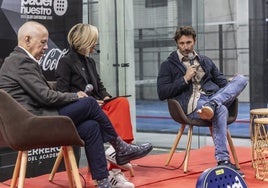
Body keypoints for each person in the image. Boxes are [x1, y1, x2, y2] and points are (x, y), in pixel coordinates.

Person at [0, 21, 153, 188]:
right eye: (43, 42)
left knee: (91, 126)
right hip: (32, 123)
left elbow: (43, 94)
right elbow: (46, 97)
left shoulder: (20, 60)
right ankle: (120, 147)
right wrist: (76, 96)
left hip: (38, 117)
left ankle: (103, 181)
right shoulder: (20, 61)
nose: (46, 47)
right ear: (27, 39)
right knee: (89, 103)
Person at [157, 26, 247, 177]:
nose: (185, 47)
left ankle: (213, 104)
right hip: (191, 104)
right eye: (182, 43)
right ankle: (223, 161)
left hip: (212, 98)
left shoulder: (205, 61)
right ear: (177, 44)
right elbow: (162, 92)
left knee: (241, 79)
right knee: (221, 109)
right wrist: (184, 79)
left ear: (194, 41)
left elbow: (221, 82)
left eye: (189, 42)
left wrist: (231, 83)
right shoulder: (168, 65)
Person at [55, 23, 136, 187]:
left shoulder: (90, 62)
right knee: (93, 108)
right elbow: (62, 93)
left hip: (97, 106)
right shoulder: (66, 62)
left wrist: (105, 98)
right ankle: (118, 155)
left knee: (121, 103)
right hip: (82, 111)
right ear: (85, 40)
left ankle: (116, 160)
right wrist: (84, 100)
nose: (95, 44)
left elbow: (100, 87)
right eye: (94, 41)